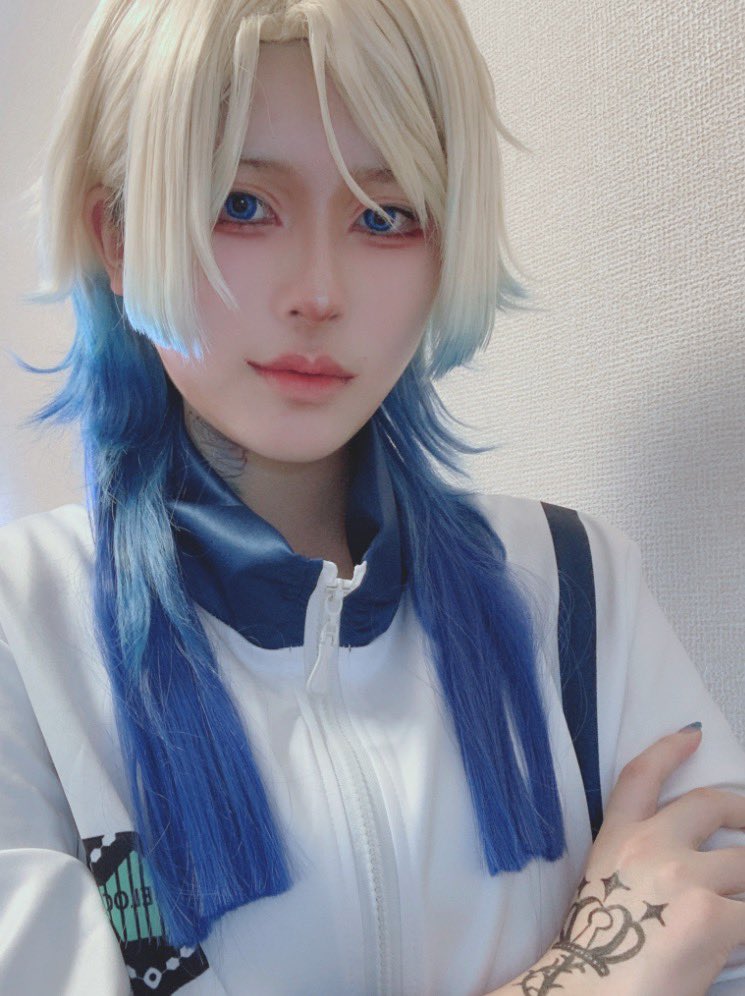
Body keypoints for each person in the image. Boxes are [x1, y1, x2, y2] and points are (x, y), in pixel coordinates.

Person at [0, 1, 743, 993]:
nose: (319, 293)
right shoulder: (22, 630)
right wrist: (579, 978)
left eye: (384, 217)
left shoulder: (575, 587)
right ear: (118, 237)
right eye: (241, 205)